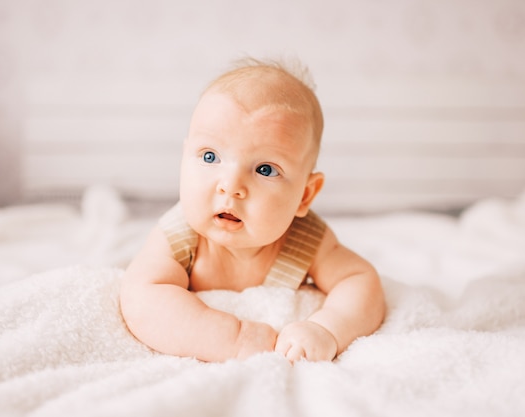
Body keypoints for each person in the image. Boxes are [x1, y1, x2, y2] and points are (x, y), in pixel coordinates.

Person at [119, 57, 385, 363]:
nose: (230, 186)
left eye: (265, 169)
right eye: (209, 157)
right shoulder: (180, 236)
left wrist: (327, 329)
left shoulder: (305, 240)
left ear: (304, 196)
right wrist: (233, 338)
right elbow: (142, 297)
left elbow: (359, 280)